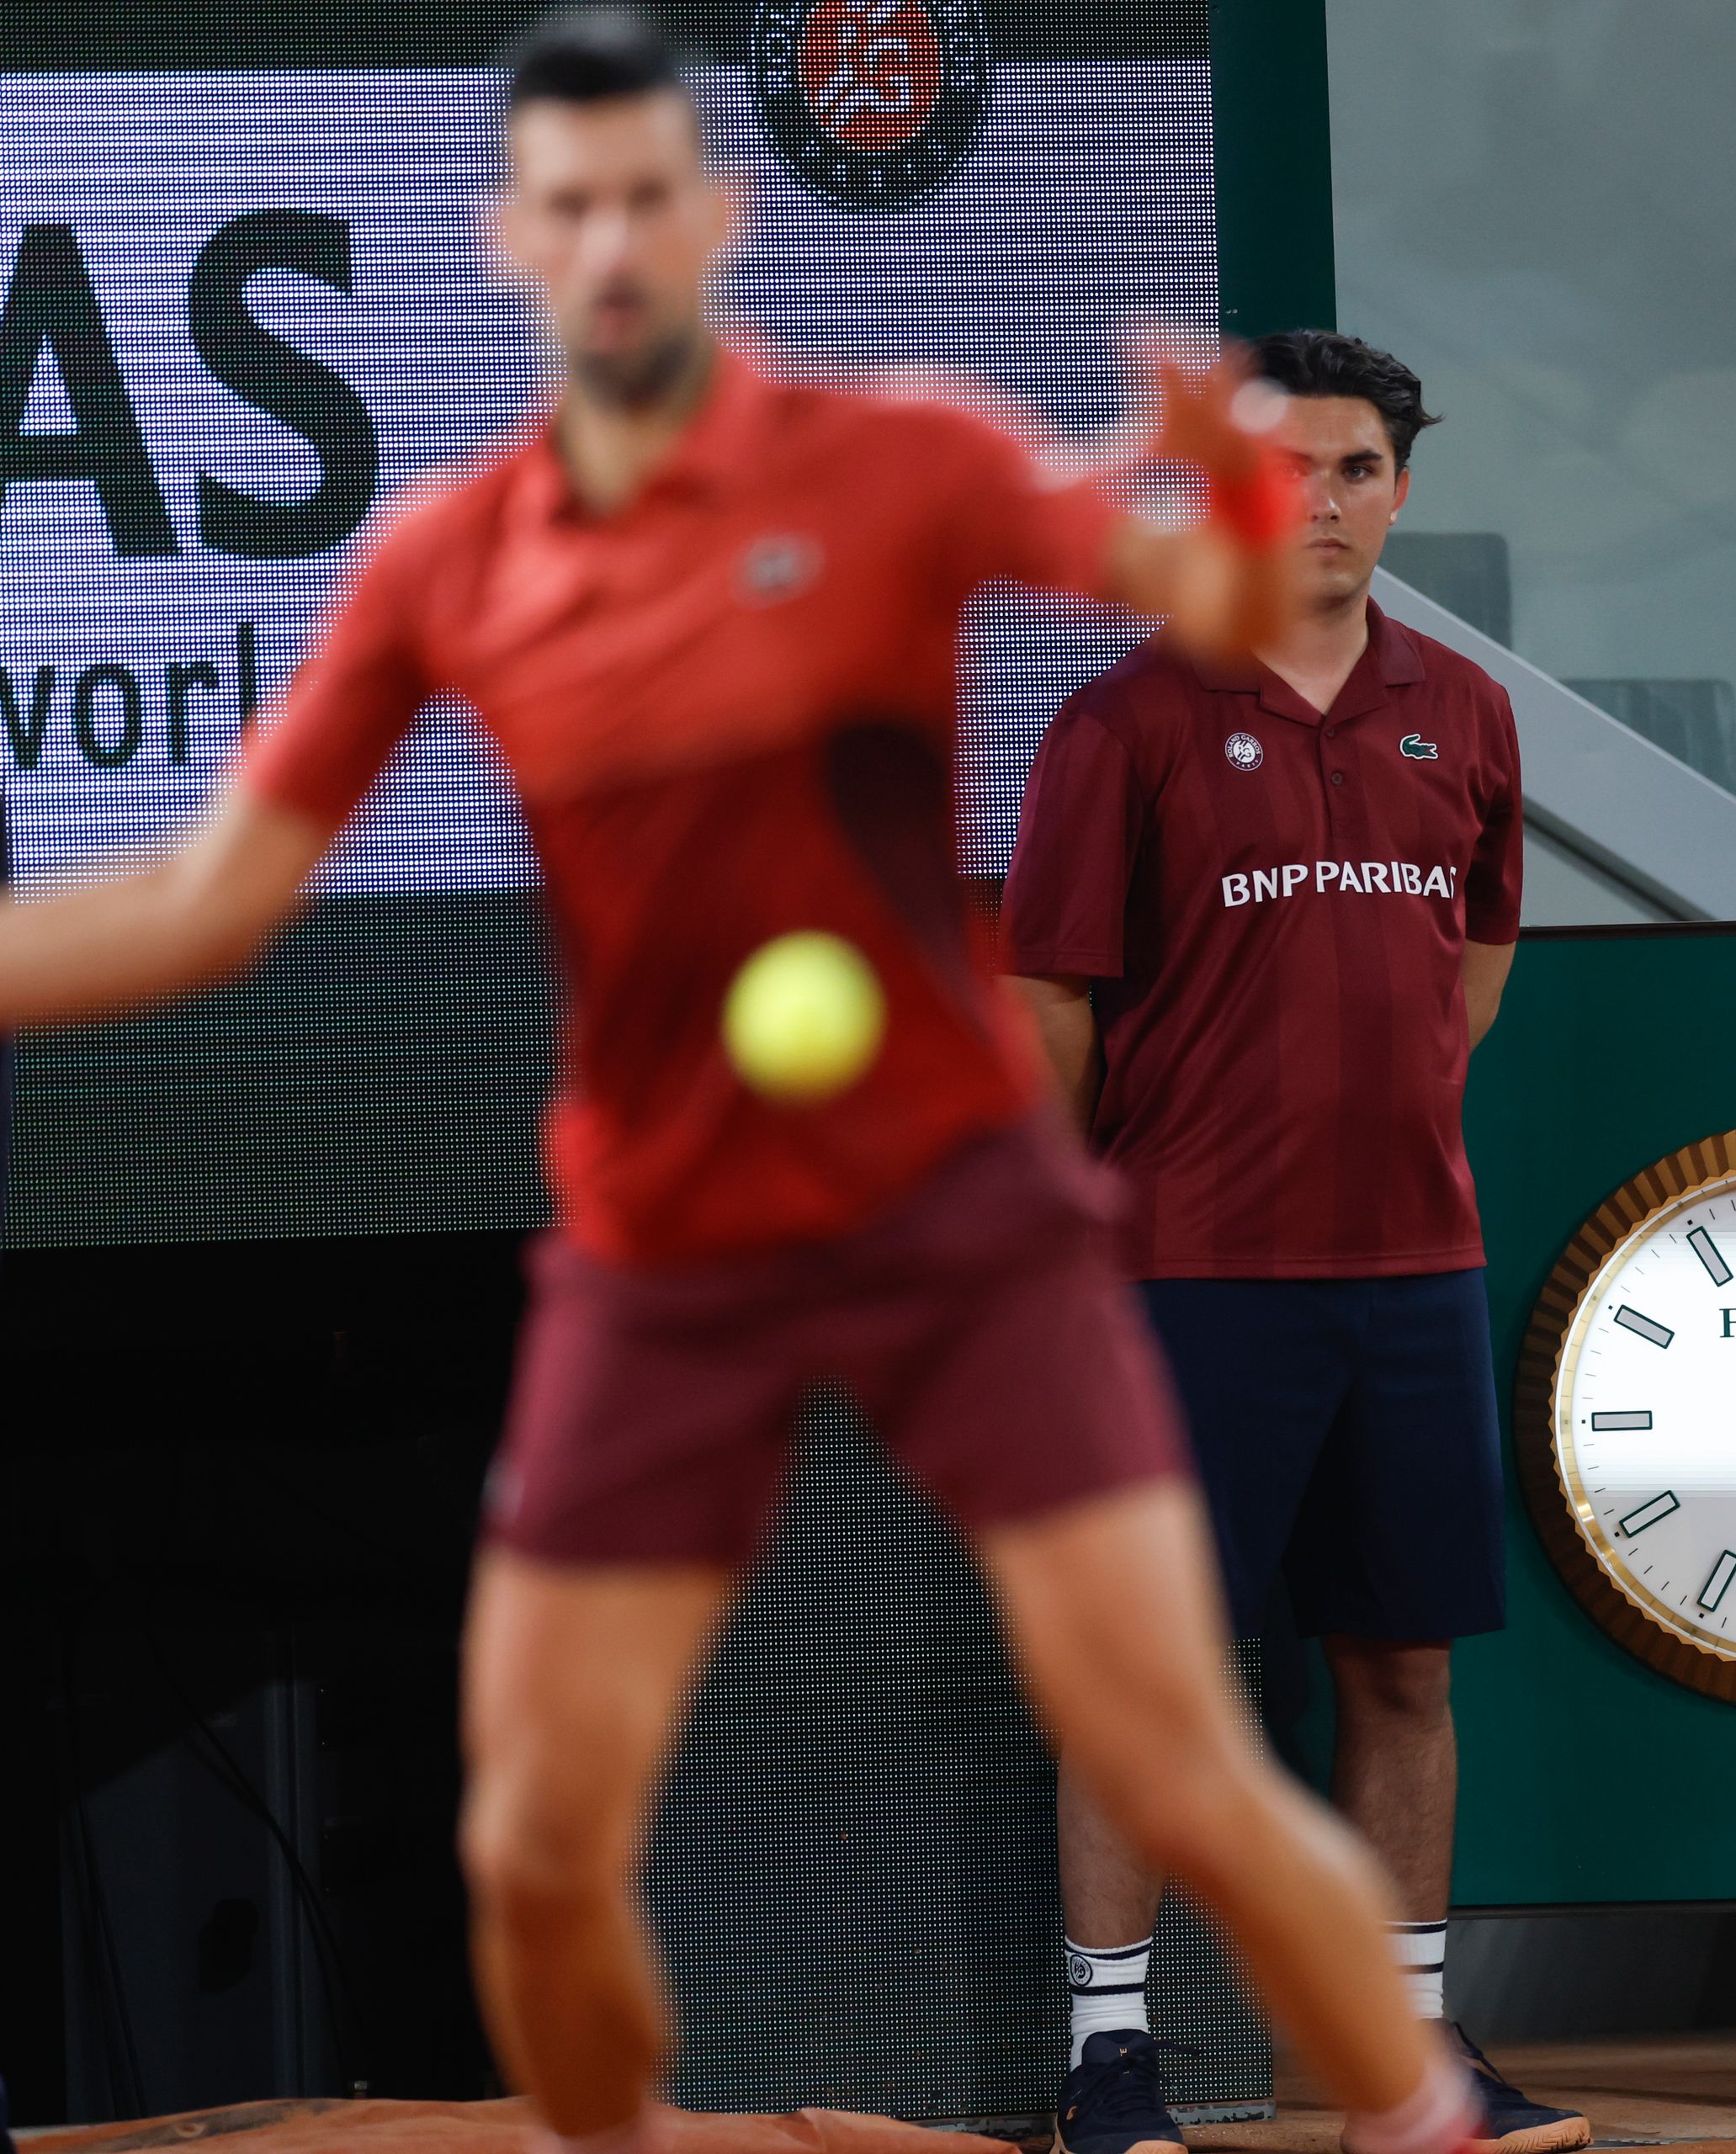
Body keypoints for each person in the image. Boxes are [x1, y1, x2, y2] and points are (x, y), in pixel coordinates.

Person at [0, 16, 1475, 2154]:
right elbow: (212, 893)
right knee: (535, 1844)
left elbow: (1221, 602)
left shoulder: (906, 455)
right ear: (515, 239)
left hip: (958, 1211)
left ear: (711, 219)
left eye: (645, 198)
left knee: (1179, 1735)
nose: (609, 241)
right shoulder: (443, 556)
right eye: (565, 205)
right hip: (673, 1244)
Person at [1002, 330, 1583, 2154]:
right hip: (1190, 1273)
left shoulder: (1464, 712)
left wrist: (1374, 1109)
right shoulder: (1123, 719)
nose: (1320, 503)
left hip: (1414, 1270)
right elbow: (1050, 1009)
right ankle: (1112, 2062)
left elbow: (1473, 963)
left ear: (1398, 490)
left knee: (1403, 1671)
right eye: (1283, 470)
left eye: (1356, 469)